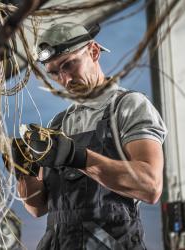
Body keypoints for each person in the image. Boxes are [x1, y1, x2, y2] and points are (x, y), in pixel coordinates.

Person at [10, 22, 168, 249]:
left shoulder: (128, 106)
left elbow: (151, 187)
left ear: (93, 52)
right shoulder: (58, 123)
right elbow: (37, 208)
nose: (64, 80)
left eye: (69, 65)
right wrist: (24, 173)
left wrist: (79, 157)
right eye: (54, 73)